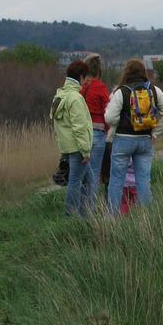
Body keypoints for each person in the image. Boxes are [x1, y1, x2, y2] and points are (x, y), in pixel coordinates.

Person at [104, 58, 163, 214]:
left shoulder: (121, 91)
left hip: (123, 139)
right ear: (143, 72)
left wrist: (120, 121)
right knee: (143, 180)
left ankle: (112, 218)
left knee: (116, 180)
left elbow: (109, 118)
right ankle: (146, 217)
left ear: (126, 72)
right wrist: (155, 132)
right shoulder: (154, 90)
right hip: (145, 140)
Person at [50, 59, 93, 217]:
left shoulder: (59, 95)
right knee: (75, 182)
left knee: (89, 181)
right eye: (85, 77)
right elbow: (80, 127)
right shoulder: (75, 98)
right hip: (78, 148)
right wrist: (86, 151)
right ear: (81, 77)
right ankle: (72, 217)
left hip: (67, 147)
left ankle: (86, 215)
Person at [79, 53, 110, 210]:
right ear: (99, 70)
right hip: (98, 134)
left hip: (82, 134)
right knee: (94, 176)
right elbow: (108, 113)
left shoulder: (81, 88)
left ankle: (80, 210)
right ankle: (89, 212)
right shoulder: (101, 88)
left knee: (82, 176)